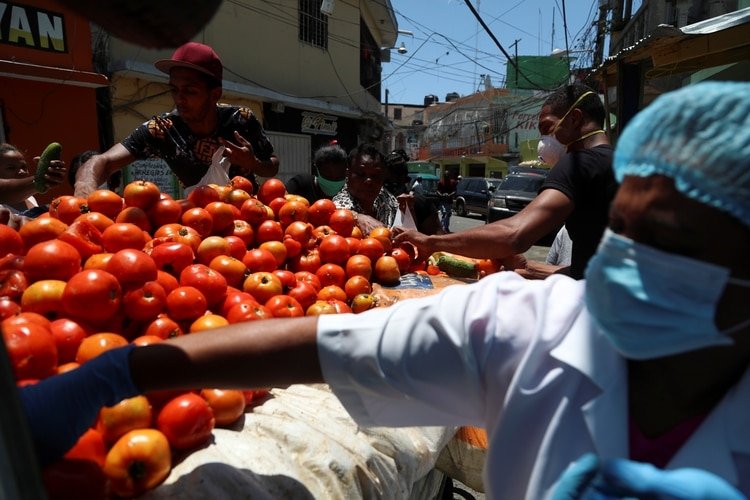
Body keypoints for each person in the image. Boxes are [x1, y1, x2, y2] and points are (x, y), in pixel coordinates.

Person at [17, 82, 750, 498]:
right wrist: (119, 372)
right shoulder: (530, 326)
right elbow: (323, 345)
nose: (625, 261)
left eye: (673, 245)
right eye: (620, 231)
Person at [394, 83, 617, 280]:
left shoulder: (579, 163)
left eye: (547, 128)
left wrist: (431, 242)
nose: (544, 140)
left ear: (575, 118)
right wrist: (529, 268)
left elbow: (514, 235)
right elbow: (592, 271)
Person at [73, 42, 279, 198]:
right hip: (198, 220)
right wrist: (83, 191)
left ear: (214, 94)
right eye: (174, 89)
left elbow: (272, 165)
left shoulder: (241, 120)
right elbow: (103, 162)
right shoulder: (162, 130)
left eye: (189, 91)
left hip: (249, 218)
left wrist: (253, 163)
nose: (179, 99)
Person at [332, 143, 398, 232]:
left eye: (375, 176)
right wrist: (355, 217)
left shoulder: (386, 197)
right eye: (360, 174)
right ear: (348, 174)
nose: (368, 181)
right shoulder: (341, 204)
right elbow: (335, 211)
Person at [0, 143, 66, 226]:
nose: (22, 172)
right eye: (11, 168)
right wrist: (40, 179)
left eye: (24, 167)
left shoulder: (30, 198)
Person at [383, 149, 443, 235]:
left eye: (395, 183)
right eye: (386, 183)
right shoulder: (374, 201)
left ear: (404, 179)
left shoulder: (420, 203)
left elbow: (438, 238)